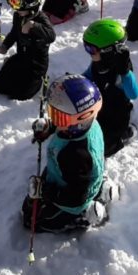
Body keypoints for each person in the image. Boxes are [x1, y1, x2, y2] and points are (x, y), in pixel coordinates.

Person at [22, 74, 110, 233]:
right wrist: (49, 128)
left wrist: (45, 192)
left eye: (58, 117)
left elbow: (76, 197)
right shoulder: (85, 125)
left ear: (81, 119)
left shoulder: (74, 155)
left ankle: (81, 217)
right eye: (52, 113)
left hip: (74, 200)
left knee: (31, 220)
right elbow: (65, 124)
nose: (53, 119)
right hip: (71, 174)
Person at [81, 19, 138, 156]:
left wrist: (125, 73)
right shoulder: (98, 62)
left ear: (107, 51)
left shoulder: (120, 71)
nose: (89, 52)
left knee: (100, 149)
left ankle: (126, 133)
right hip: (99, 107)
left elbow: (133, 94)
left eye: (91, 49)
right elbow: (88, 76)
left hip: (116, 116)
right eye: (86, 47)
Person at [0, 0, 57, 100]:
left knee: (20, 95)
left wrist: (33, 25)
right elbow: (14, 33)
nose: (15, 8)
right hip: (21, 57)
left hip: (36, 65)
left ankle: (38, 80)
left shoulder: (41, 19)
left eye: (17, 3)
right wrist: (5, 45)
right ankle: (12, 63)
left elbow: (51, 36)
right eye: (13, 2)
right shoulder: (18, 16)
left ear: (31, 5)